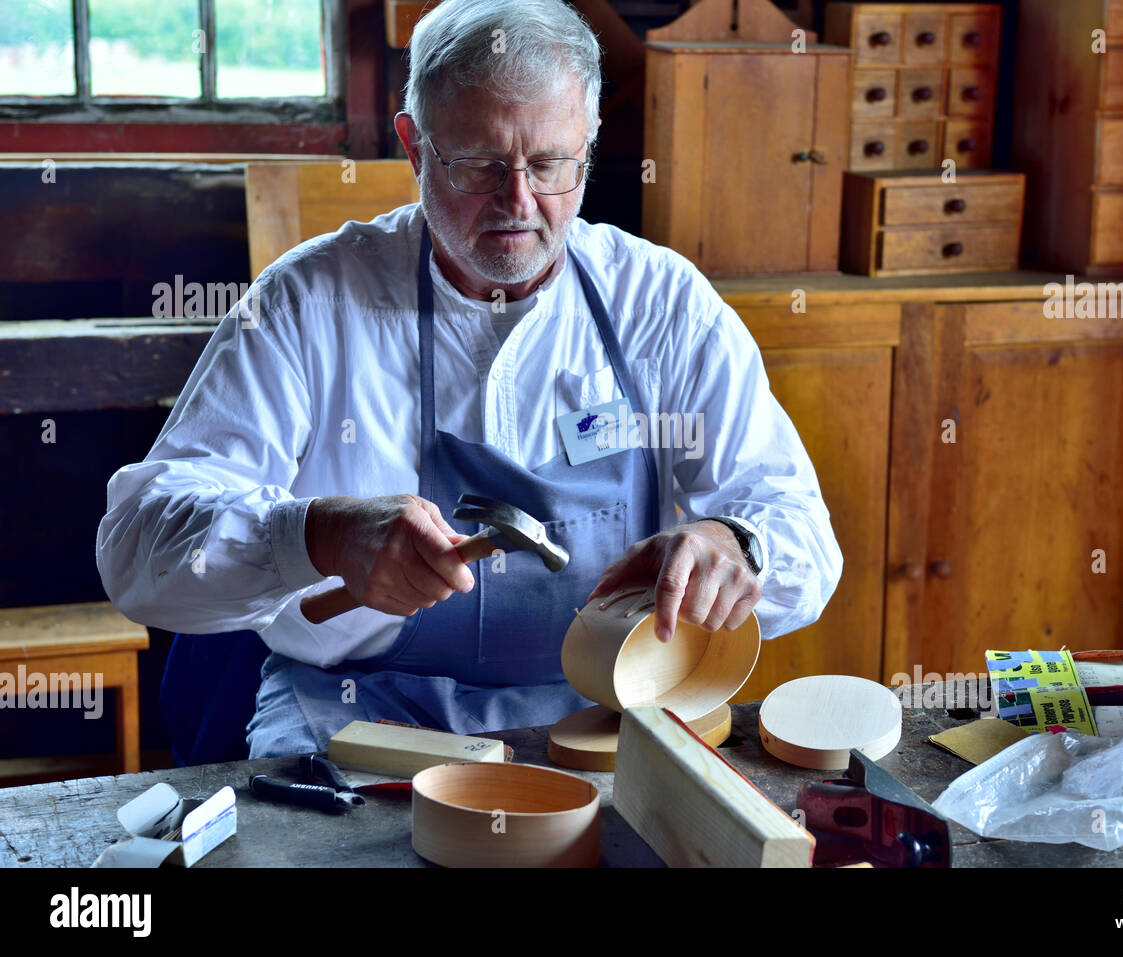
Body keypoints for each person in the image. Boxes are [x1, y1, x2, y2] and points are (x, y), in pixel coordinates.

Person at [96, 0, 842, 760]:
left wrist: (737, 545)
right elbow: (135, 548)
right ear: (415, 147)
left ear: (587, 141)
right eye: (480, 164)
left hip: (597, 719)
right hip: (354, 717)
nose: (519, 203)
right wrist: (313, 534)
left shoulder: (660, 304)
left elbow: (804, 535)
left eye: (551, 163)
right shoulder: (309, 302)